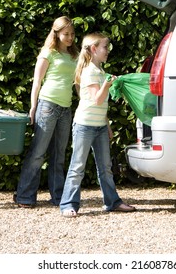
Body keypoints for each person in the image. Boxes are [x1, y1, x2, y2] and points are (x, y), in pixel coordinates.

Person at [60, 32, 136, 217]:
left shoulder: (100, 71)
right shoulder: (89, 71)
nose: (107, 50)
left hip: (99, 126)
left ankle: (112, 202)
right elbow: (97, 99)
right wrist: (107, 85)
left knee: (105, 168)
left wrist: (107, 125)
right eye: (105, 47)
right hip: (84, 126)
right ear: (94, 49)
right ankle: (68, 204)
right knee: (77, 167)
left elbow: (102, 106)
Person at [14, 16, 79, 208]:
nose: (70, 38)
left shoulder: (74, 56)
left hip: (65, 109)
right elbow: (36, 82)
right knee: (38, 153)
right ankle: (25, 196)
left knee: (59, 155)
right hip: (47, 106)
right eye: (66, 34)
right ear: (56, 33)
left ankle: (58, 197)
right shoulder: (47, 53)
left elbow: (76, 84)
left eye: (72, 34)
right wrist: (33, 107)